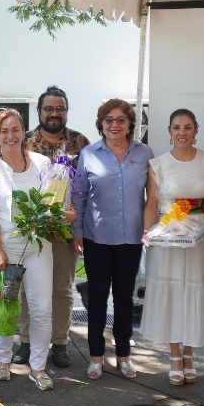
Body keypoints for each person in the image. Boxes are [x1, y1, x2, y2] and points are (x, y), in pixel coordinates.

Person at [0, 109, 74, 390]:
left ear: (24, 132)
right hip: (4, 248)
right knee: (6, 305)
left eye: (15, 130)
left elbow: (55, 205)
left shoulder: (42, 163)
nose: (10, 136)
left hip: (37, 248)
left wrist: (62, 214)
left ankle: (38, 368)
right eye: (4, 131)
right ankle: (3, 361)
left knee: (41, 309)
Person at [72, 99, 153, 379]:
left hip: (131, 238)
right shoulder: (89, 154)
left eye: (121, 119)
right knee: (97, 299)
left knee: (124, 299)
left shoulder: (144, 153)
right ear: (101, 124)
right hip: (97, 237)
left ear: (130, 123)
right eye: (109, 120)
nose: (115, 125)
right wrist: (77, 232)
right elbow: (79, 194)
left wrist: (150, 229)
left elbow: (153, 196)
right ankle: (96, 357)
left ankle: (124, 356)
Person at [140, 109, 204, 385]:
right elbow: (152, 204)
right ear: (169, 131)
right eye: (176, 127)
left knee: (195, 289)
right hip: (169, 232)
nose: (182, 133)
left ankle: (189, 353)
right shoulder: (158, 164)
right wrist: (147, 233)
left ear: (196, 130)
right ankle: (174, 354)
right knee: (172, 290)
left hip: (200, 234)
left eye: (187, 127)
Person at [22, 86, 91, 368]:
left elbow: (87, 188)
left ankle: (60, 342)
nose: (54, 113)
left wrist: (79, 230)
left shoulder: (80, 143)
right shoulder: (25, 141)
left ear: (66, 112)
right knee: (28, 288)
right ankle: (25, 341)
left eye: (59, 109)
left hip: (65, 230)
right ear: (39, 111)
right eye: (48, 108)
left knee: (62, 289)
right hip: (32, 229)